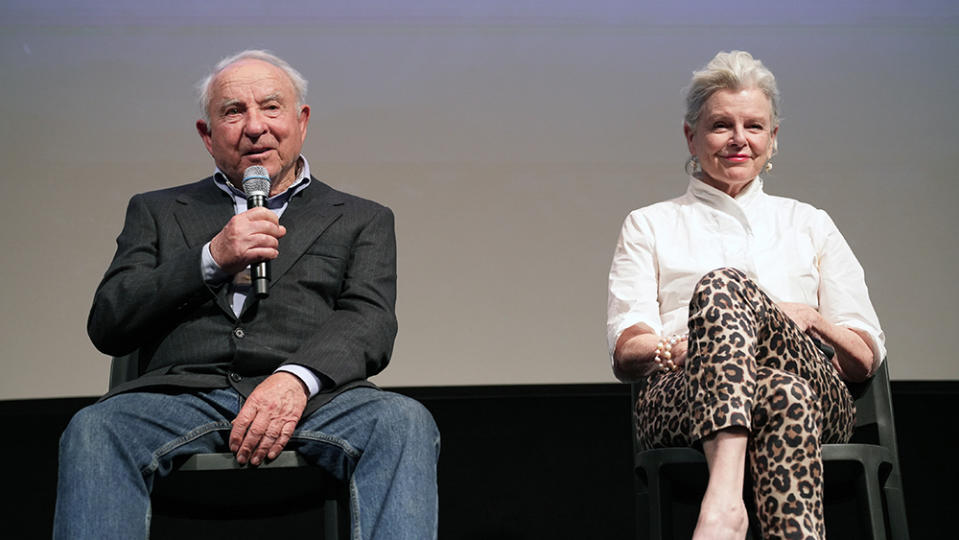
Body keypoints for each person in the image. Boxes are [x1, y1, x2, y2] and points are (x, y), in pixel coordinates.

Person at [54, 50, 439, 540]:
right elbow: (109, 321)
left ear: (302, 121)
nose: (254, 127)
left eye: (271, 108)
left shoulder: (361, 217)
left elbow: (369, 320)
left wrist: (296, 380)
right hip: (183, 395)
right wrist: (211, 257)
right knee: (94, 429)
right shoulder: (156, 210)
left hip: (313, 399)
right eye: (233, 112)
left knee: (403, 422)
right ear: (206, 134)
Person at [607, 51, 885, 539]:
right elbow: (627, 350)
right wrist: (694, 346)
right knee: (783, 395)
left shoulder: (809, 222)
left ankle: (722, 505)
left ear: (773, 139)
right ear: (691, 136)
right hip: (685, 394)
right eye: (721, 126)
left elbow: (863, 357)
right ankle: (729, 498)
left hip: (823, 394)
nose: (739, 139)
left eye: (754, 126)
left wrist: (810, 319)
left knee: (723, 285)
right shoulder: (649, 224)